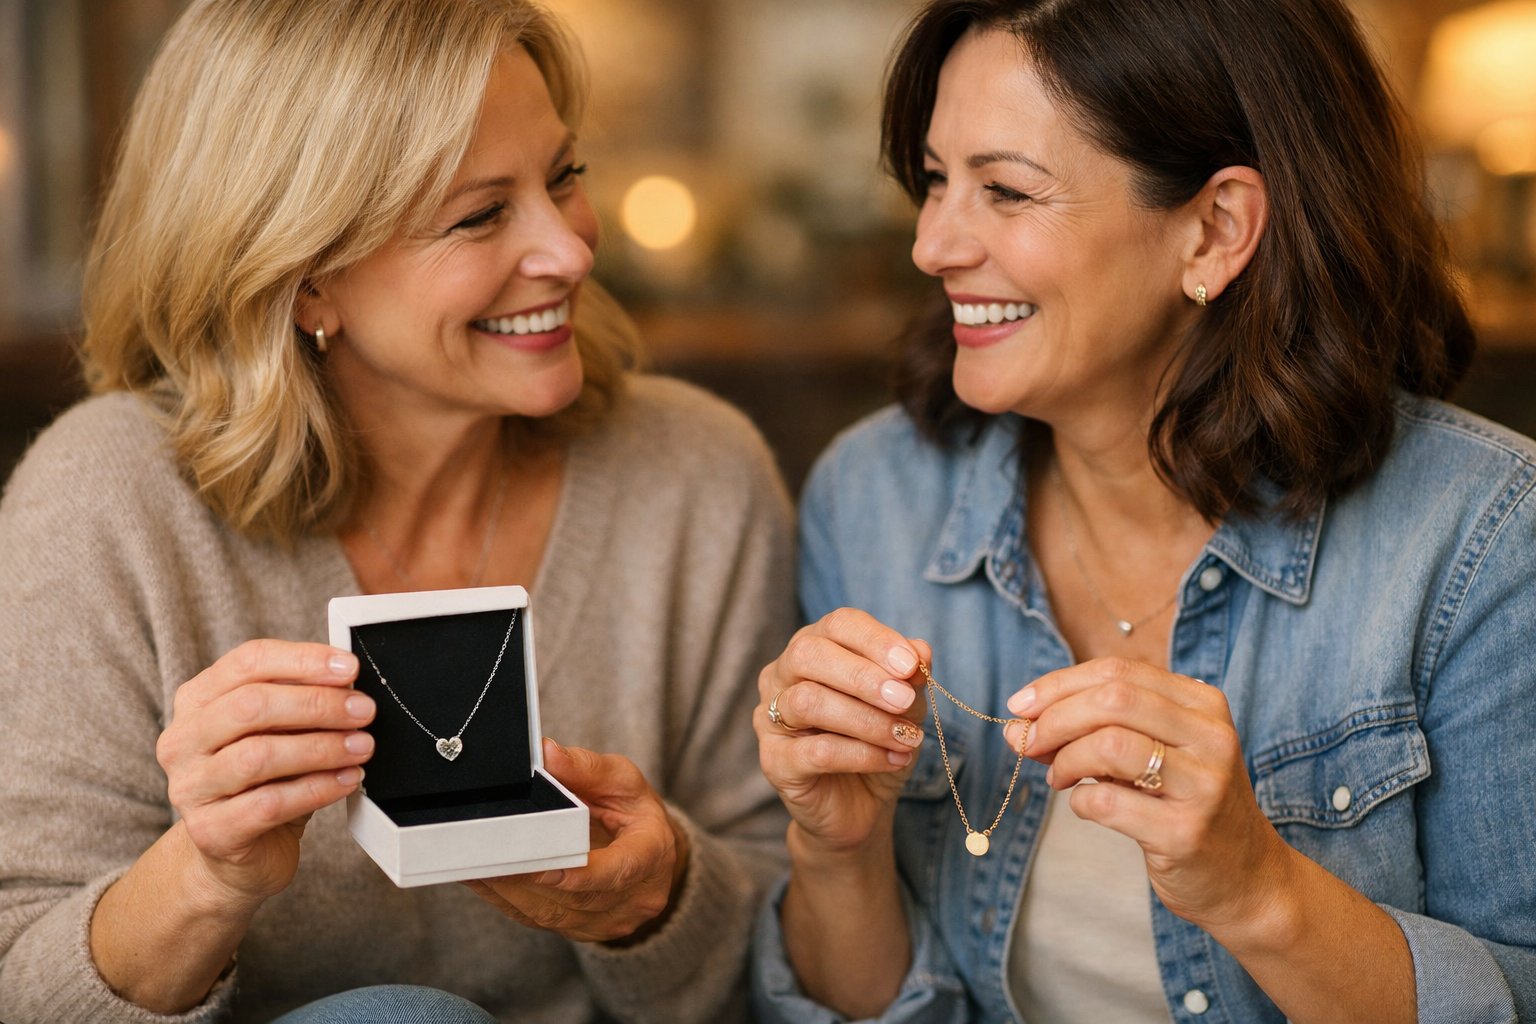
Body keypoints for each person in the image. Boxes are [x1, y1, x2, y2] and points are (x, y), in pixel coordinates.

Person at [0, 1, 794, 1021]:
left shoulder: (694, 472)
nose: (570, 249)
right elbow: (24, 977)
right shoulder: (110, 501)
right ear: (304, 278)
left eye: (562, 177)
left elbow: (789, 948)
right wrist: (207, 876)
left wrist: (659, 896)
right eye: (478, 215)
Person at [749, 0, 1536, 1021]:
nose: (933, 245)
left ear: (1214, 231)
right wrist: (835, 845)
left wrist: (1256, 887)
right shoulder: (875, 499)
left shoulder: (1482, 539)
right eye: (937, 181)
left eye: (1006, 191)